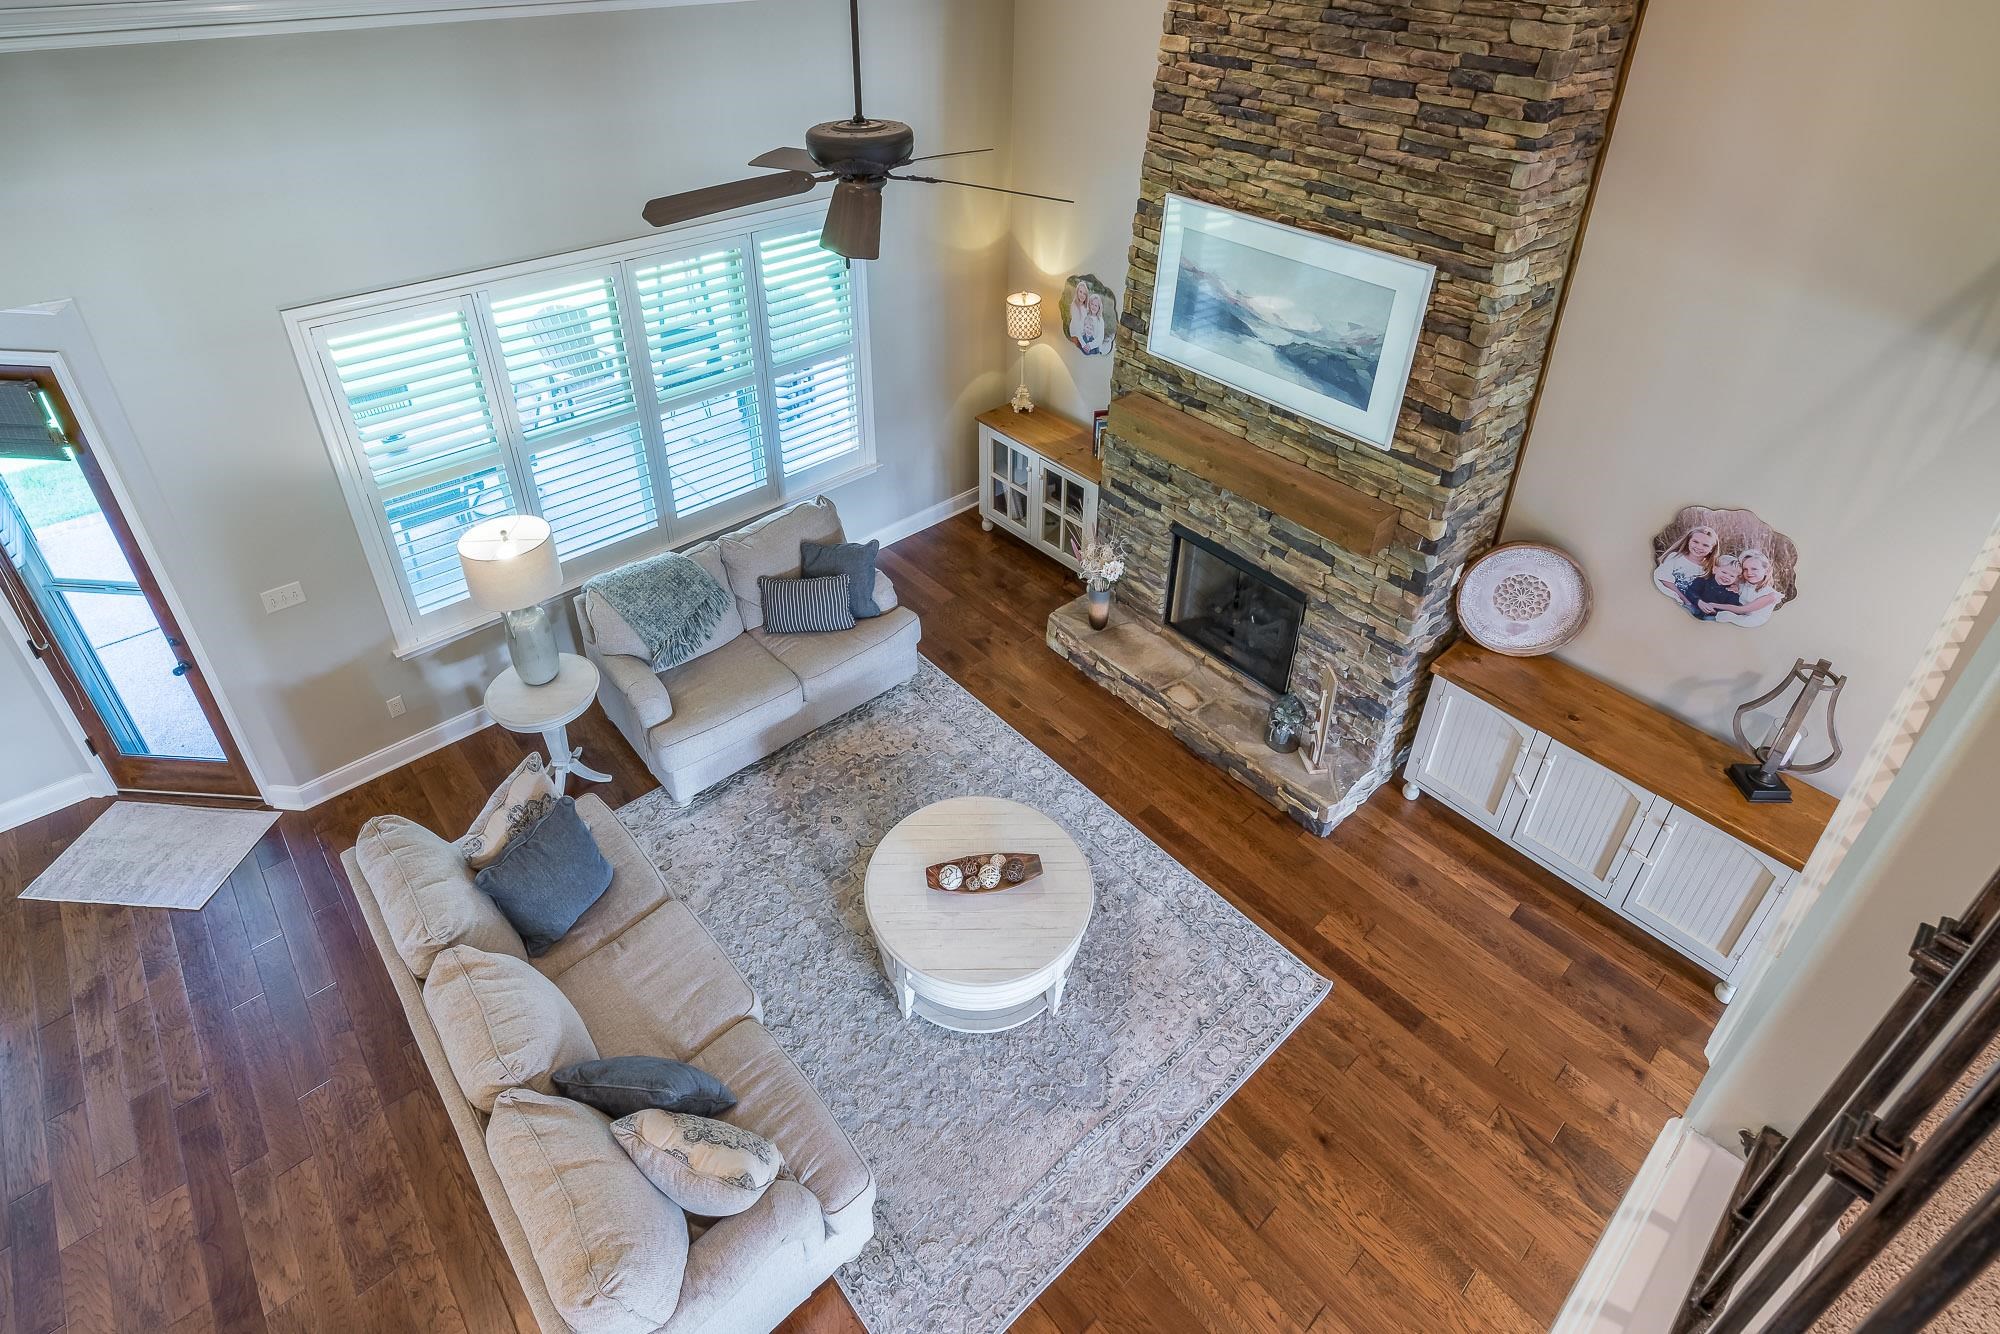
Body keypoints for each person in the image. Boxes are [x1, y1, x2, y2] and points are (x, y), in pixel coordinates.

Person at [1714, 548, 1784, 627]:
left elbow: (1742, 610)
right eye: (1745, 569)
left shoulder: (1771, 595)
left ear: (1766, 571)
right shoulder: (1744, 584)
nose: (1749, 573)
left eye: (1754, 569)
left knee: (1724, 615)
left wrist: (1713, 605)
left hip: (1750, 622)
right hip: (1737, 615)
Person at [1654, 524, 1719, 607]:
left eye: (1705, 545)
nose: (1699, 547)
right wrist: (1686, 601)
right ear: (1688, 541)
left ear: (1712, 549)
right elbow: (1665, 580)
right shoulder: (1675, 557)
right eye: (1695, 542)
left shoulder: (1711, 568)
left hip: (1693, 603)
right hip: (1670, 596)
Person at [1685, 553, 1745, 621]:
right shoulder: (1704, 580)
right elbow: (1690, 591)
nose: (1726, 577)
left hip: (1712, 615)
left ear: (1736, 579)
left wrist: (1716, 612)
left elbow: (1731, 608)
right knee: (1687, 609)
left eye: (1732, 576)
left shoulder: (1731, 592)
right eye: (1724, 572)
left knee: (1711, 620)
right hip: (1696, 606)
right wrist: (1699, 602)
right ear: (1715, 569)